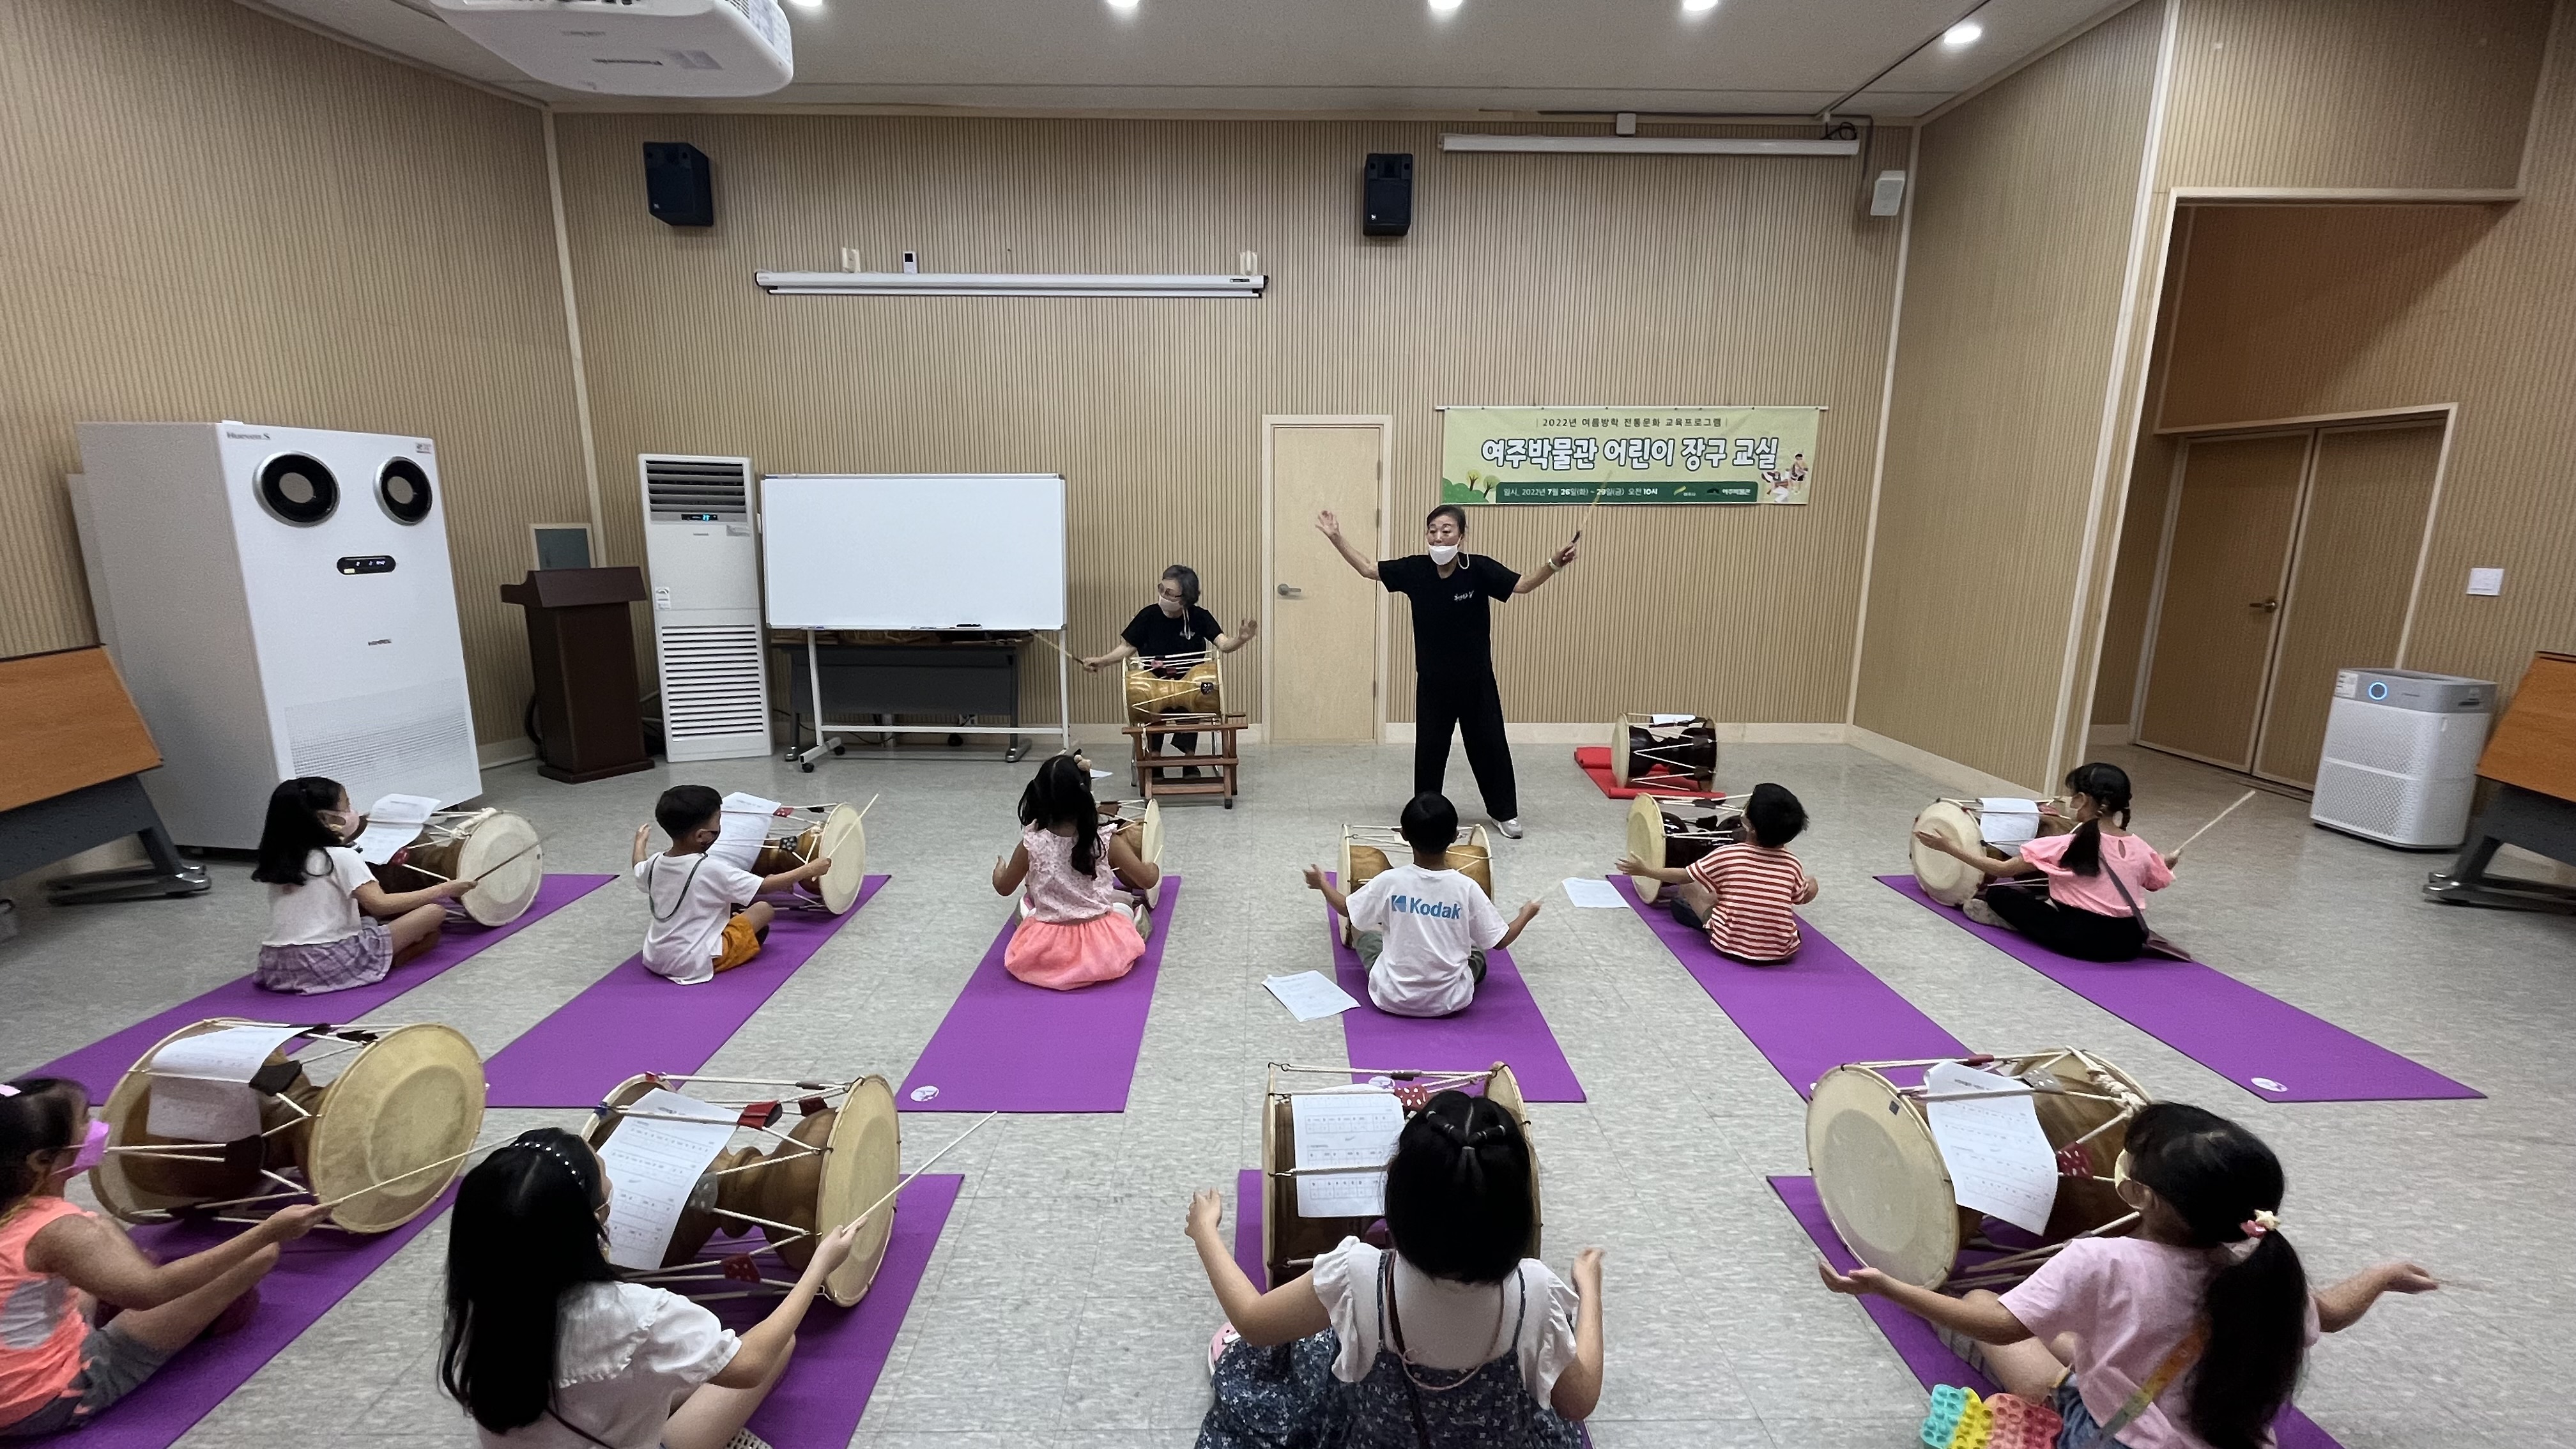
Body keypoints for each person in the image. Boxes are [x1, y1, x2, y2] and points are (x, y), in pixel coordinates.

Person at [1818, 1101, 2439, 1449]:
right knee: (2080, 1336)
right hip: (2224, 1437)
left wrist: (1889, 1286)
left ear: (2139, 1195)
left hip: (2114, 1436)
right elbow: (2328, 1313)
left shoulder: (2102, 1262)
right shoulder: (2265, 1278)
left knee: (1985, 1296)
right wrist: (2380, 1274)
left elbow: (1999, 1326)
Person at [1185, 1090, 1603, 1448]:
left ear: (1400, 1201)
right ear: (1517, 1215)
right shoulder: (1537, 1291)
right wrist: (1590, 1293)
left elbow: (1253, 1322)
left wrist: (1205, 1233)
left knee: (1312, 1342)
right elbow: (1579, 1402)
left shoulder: (1357, 1275)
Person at [438, 1126, 864, 1449]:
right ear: (595, 1217)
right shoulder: (633, 1313)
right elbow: (749, 1365)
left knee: (663, 1369)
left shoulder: (480, 1296)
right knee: (777, 1344)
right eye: (604, 1169)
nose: (609, 1169)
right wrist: (820, 1263)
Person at [0, 1077, 325, 1439]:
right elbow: (151, 1293)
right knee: (258, 1256)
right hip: (35, 1404)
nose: (95, 1128)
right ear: (42, 1159)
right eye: (84, 1121)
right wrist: (269, 1231)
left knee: (100, 1231)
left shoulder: (37, 1220)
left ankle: (108, 1293)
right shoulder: (61, 1230)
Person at [1317, 505, 1576, 840]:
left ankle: (1504, 813)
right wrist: (1337, 537)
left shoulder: (1478, 569)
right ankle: (1423, 819)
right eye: (1433, 530)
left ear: (1461, 535)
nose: (1439, 537)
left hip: (1476, 682)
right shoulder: (1415, 570)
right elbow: (1368, 568)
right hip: (1433, 684)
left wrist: (1554, 564)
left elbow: (1523, 585)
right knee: (1429, 752)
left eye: (1447, 530)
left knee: (1490, 747)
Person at [1303, 793, 1539, 1018]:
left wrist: (1323, 884)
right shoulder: (1466, 888)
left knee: (1366, 934)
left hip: (1391, 997)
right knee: (1477, 952)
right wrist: (1525, 914)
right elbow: (1501, 941)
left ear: (1404, 834)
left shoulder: (1389, 881)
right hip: (1451, 1000)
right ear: (1455, 836)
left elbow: (1346, 909)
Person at [1913, 762, 2174, 962]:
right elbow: (2153, 883)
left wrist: (1950, 848)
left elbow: (2002, 868)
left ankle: (2013, 922)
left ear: (2082, 799)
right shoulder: (2142, 847)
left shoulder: (2068, 843)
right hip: (2129, 943)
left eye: (2073, 796)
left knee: (2000, 894)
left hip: (2081, 941)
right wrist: (2165, 863)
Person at [252, 776, 474, 993]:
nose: (352, 812)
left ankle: (398, 948)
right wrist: (444, 889)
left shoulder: (280, 859)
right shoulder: (340, 857)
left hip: (275, 966)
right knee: (434, 913)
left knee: (367, 921)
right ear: (326, 818)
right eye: (347, 806)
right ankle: (392, 957)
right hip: (325, 962)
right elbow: (382, 905)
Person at [991, 754, 1163, 990]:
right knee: (1121, 908)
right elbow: (1147, 879)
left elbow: (1003, 888)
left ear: (1039, 796)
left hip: (1046, 951)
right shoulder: (1104, 840)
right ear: (1085, 796)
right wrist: (1152, 866)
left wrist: (999, 870)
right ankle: (1137, 924)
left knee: (1030, 911)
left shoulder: (1031, 844)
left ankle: (1026, 915)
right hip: (1100, 952)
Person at [632, 786, 831, 985]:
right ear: (702, 836)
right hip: (694, 962)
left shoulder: (656, 862)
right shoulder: (711, 869)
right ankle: (740, 941)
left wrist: (640, 843)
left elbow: (638, 867)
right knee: (764, 909)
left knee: (725, 904)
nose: (721, 826)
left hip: (654, 957)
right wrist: (809, 870)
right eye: (719, 820)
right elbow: (763, 887)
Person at [1082, 564, 1258, 779]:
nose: (1163, 596)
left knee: (1199, 693)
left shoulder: (1200, 617)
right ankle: (1154, 760)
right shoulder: (1148, 616)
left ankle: (1189, 761)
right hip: (1154, 682)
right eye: (1162, 589)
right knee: (1149, 695)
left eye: (1169, 593)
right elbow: (1128, 648)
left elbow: (1224, 645)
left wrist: (1241, 639)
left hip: (1190, 683)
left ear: (1185, 599)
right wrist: (1102, 661)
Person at [1616, 781, 1818, 963]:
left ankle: (1703, 919)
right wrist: (1812, 885)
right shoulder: (1792, 864)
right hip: (1783, 952)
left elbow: (1684, 876)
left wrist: (1646, 870)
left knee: (1689, 886)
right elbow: (1802, 897)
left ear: (1751, 828)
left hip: (1729, 945)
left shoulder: (1728, 854)